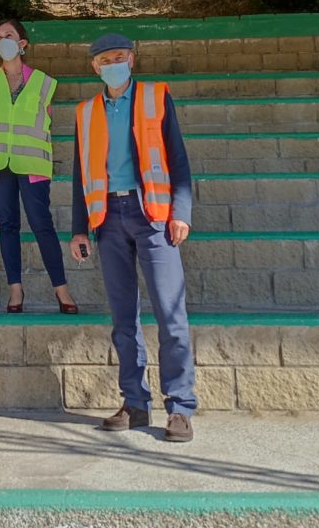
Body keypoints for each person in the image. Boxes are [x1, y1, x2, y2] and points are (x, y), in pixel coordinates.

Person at [69, 33, 197, 442]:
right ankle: (135, 403)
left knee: (170, 314)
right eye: (105, 60)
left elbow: (177, 157)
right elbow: (80, 172)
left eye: (119, 57)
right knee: (123, 319)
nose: (113, 64)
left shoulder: (156, 97)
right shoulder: (86, 112)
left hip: (152, 215)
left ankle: (180, 407)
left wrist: (181, 212)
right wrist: (78, 227)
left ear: (132, 60)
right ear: (95, 67)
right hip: (107, 218)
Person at [0, 19, 78, 314]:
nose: (3, 40)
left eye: (8, 35)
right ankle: (15, 290)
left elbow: (45, 122)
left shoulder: (44, 82)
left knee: (41, 224)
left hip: (33, 163)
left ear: (22, 43)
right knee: (7, 225)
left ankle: (61, 289)